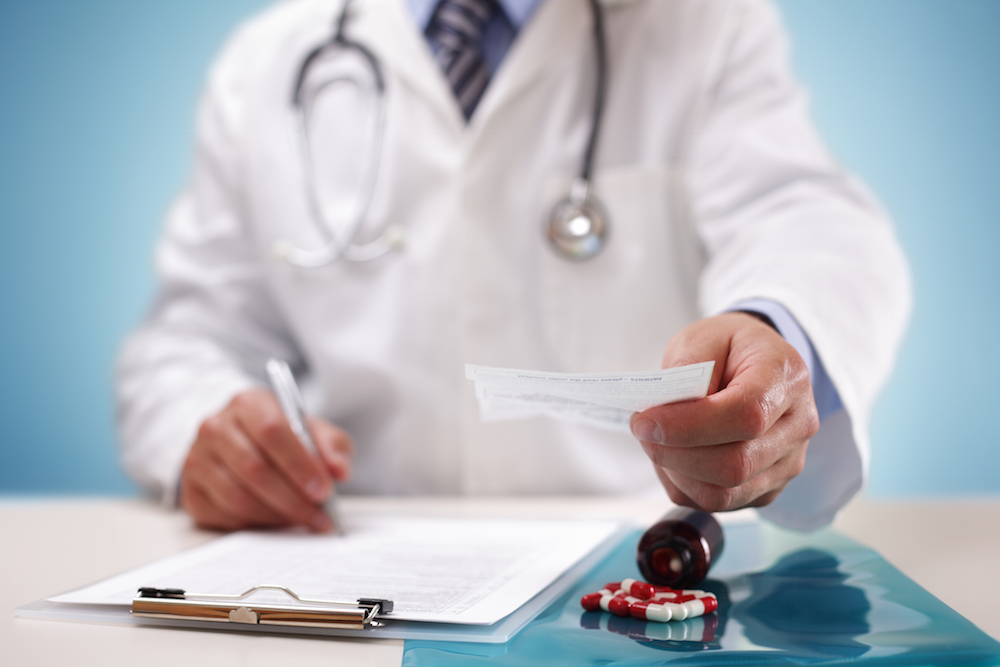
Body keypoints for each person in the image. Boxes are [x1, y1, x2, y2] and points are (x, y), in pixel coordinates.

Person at [116, 0, 910, 534]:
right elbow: (184, 342)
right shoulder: (268, 63)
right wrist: (211, 433)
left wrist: (773, 329)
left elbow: (809, 219)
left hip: (623, 568)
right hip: (348, 565)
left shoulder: (702, 24)